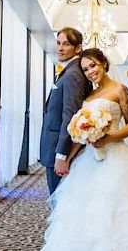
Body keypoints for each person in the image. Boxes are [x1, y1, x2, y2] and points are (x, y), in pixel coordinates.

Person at [42, 48, 128, 250]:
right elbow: (82, 136)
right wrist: (69, 158)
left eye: (93, 66)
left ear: (103, 64)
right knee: (85, 208)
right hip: (89, 158)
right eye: (85, 69)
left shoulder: (120, 90)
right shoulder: (89, 95)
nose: (90, 72)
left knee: (118, 206)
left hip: (116, 155)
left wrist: (109, 138)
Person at [40, 27, 92, 194]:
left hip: (60, 149)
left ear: (78, 48)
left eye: (66, 44)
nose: (60, 48)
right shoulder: (69, 71)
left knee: (60, 202)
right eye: (58, 43)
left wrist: (62, 156)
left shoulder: (73, 74)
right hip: (55, 147)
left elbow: (71, 117)